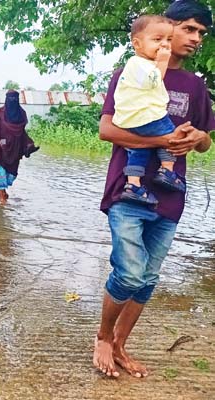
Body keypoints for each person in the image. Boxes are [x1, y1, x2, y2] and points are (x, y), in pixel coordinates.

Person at [94, 0, 214, 379]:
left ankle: (120, 345)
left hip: (170, 194)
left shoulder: (195, 86)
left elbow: (206, 140)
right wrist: (159, 140)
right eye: (190, 30)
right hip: (128, 190)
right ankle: (101, 337)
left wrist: (196, 138)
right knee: (129, 273)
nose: (196, 39)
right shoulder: (130, 72)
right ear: (168, 28)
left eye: (202, 34)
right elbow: (107, 130)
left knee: (147, 278)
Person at [113, 15, 185, 206]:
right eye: (157, 40)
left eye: (168, 40)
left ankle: (133, 185)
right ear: (137, 44)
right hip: (147, 116)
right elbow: (154, 80)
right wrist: (163, 61)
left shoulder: (139, 65)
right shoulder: (139, 64)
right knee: (172, 136)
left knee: (139, 149)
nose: (164, 45)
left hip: (131, 120)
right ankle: (167, 170)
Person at [0, 90, 39, 204]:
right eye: (10, 98)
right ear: (6, 99)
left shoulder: (21, 113)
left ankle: (3, 193)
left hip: (15, 148)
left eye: (15, 98)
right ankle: (2, 200)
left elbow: (22, 131)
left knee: (11, 175)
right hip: (0, 148)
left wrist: (28, 145)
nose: (12, 100)